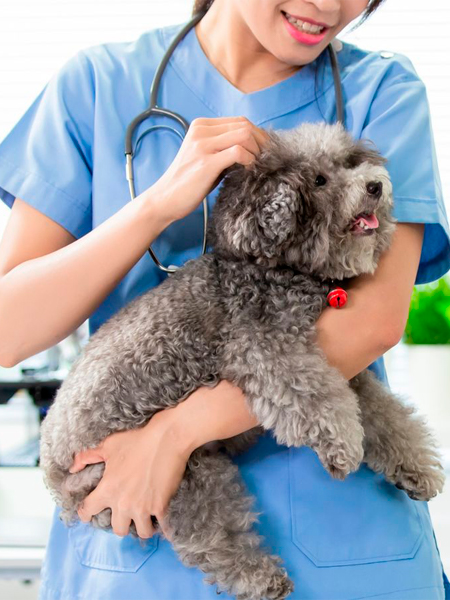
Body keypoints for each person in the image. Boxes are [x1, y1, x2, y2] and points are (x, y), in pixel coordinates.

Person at [0, 0, 449, 598]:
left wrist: (174, 433)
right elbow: (9, 331)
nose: (330, 6)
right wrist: (157, 205)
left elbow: (370, 323)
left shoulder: (382, 89)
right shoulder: (97, 86)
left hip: (349, 545)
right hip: (142, 543)